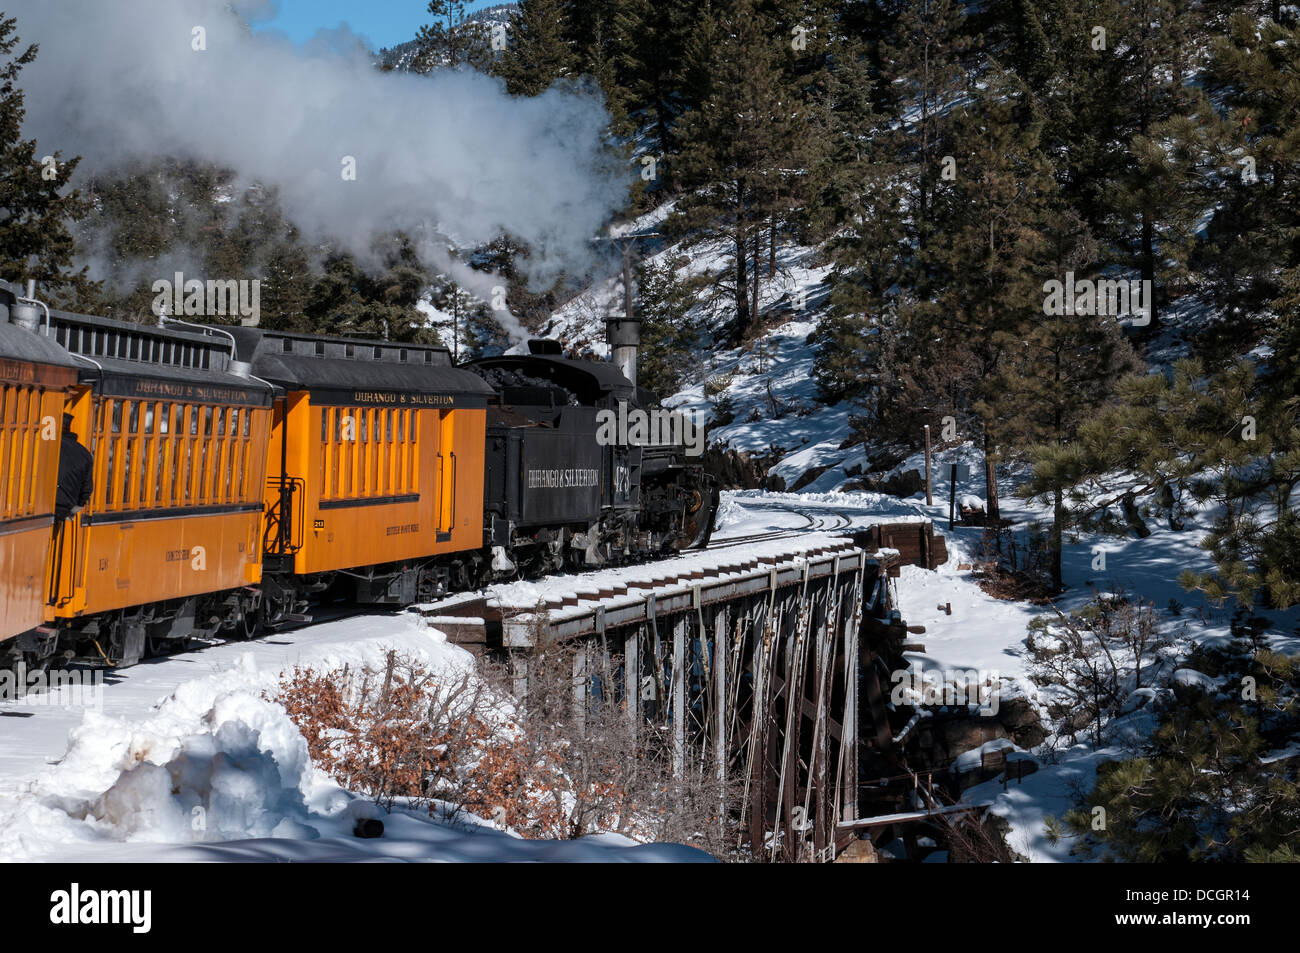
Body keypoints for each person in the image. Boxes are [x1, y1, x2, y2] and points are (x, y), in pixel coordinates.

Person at [55, 412, 93, 523]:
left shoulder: (44, 445)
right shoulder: (84, 454)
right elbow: (86, 489)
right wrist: (74, 509)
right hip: (64, 509)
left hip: (39, 506)